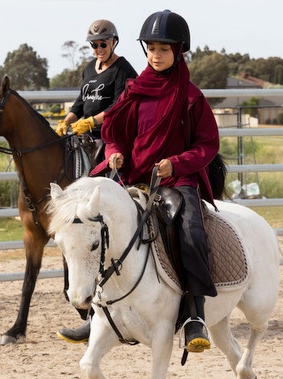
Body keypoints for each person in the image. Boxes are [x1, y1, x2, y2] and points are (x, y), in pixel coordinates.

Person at [57, 10, 219, 355]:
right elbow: (115, 134)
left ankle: (194, 314)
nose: (156, 56)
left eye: (164, 49)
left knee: (191, 230)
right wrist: (114, 153)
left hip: (177, 180)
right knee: (86, 228)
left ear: (179, 51)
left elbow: (208, 146)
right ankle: (95, 312)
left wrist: (175, 163)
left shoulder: (192, 97)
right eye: (151, 49)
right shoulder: (134, 91)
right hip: (133, 177)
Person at [56, 19, 138, 141]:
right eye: (95, 45)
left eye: (103, 44)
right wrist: (66, 121)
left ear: (114, 42)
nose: (99, 49)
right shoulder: (88, 68)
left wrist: (91, 122)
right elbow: (81, 102)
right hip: (88, 135)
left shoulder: (123, 70)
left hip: (112, 136)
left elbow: (118, 106)